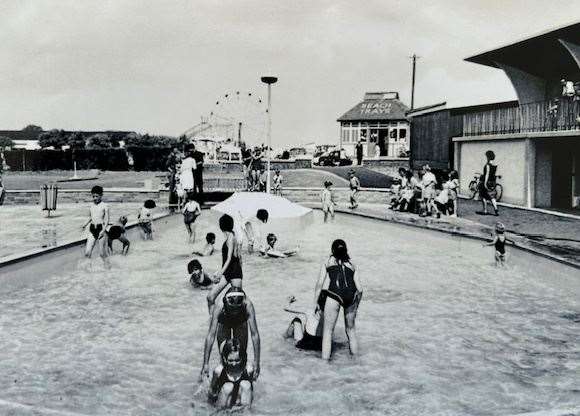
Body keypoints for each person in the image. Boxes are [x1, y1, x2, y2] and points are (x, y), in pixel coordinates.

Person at [313, 239, 363, 360]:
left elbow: (320, 284)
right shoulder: (352, 264)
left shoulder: (328, 261)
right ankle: (356, 362)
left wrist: (315, 302)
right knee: (351, 331)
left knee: (328, 332)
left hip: (334, 294)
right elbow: (360, 289)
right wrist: (356, 306)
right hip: (351, 296)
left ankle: (325, 365)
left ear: (332, 250)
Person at [200, 287, 260, 383]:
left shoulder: (247, 305)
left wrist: (257, 362)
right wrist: (205, 364)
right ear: (226, 302)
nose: (234, 311)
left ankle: (244, 386)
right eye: (232, 308)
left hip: (240, 322)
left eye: (237, 308)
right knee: (225, 358)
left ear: (242, 303)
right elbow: (211, 335)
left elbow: (255, 335)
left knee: (241, 357)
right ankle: (220, 384)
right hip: (225, 322)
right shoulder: (220, 306)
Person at [206, 214, 243, 315]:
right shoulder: (232, 236)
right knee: (210, 297)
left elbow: (229, 258)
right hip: (228, 272)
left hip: (234, 273)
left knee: (238, 304)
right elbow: (239, 257)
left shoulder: (231, 237)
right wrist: (221, 271)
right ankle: (213, 321)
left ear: (221, 226)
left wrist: (219, 274)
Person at [208, 338, 254, 409]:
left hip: (241, 404)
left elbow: (251, 391)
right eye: (230, 360)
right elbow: (212, 392)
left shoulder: (248, 369)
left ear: (242, 358)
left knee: (246, 385)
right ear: (224, 358)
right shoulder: (219, 371)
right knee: (228, 387)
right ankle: (223, 412)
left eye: (237, 360)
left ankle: (245, 411)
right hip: (224, 403)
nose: (234, 364)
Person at [81, 185, 110, 259]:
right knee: (87, 253)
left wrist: (103, 231)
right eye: (93, 196)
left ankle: (108, 268)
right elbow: (90, 217)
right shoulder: (91, 205)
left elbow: (106, 219)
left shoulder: (104, 205)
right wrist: (84, 224)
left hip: (101, 229)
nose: (95, 198)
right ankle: (89, 269)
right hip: (92, 229)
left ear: (101, 195)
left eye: (97, 196)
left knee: (102, 254)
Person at [477, 150, 499, 216]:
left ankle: (485, 210)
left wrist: (485, 183)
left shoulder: (487, 165)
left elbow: (487, 174)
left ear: (488, 157)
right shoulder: (495, 165)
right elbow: (495, 174)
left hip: (487, 181)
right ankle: (496, 209)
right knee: (492, 196)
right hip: (492, 182)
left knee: (483, 195)